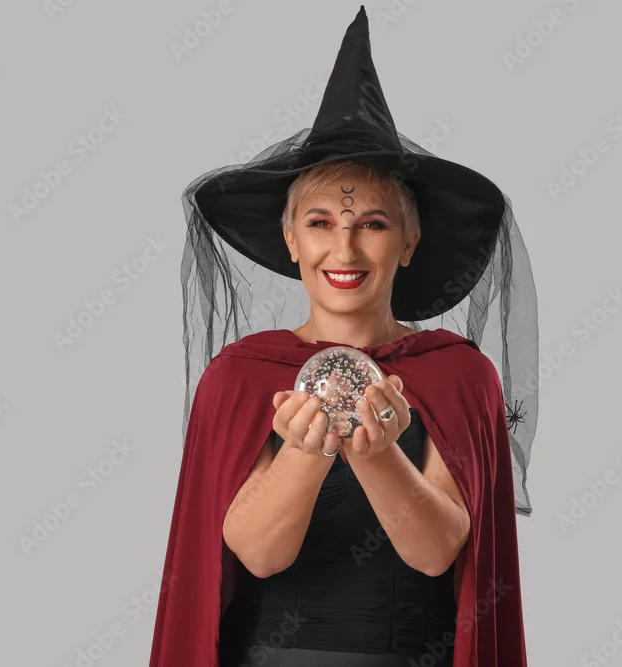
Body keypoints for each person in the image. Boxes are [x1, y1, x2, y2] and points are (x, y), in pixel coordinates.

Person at [148, 6, 539, 667]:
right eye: (322, 222)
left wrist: (377, 454)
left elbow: (437, 551)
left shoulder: (457, 375)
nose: (345, 248)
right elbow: (257, 553)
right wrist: (307, 451)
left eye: (374, 224)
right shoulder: (241, 375)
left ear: (409, 241)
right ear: (291, 239)